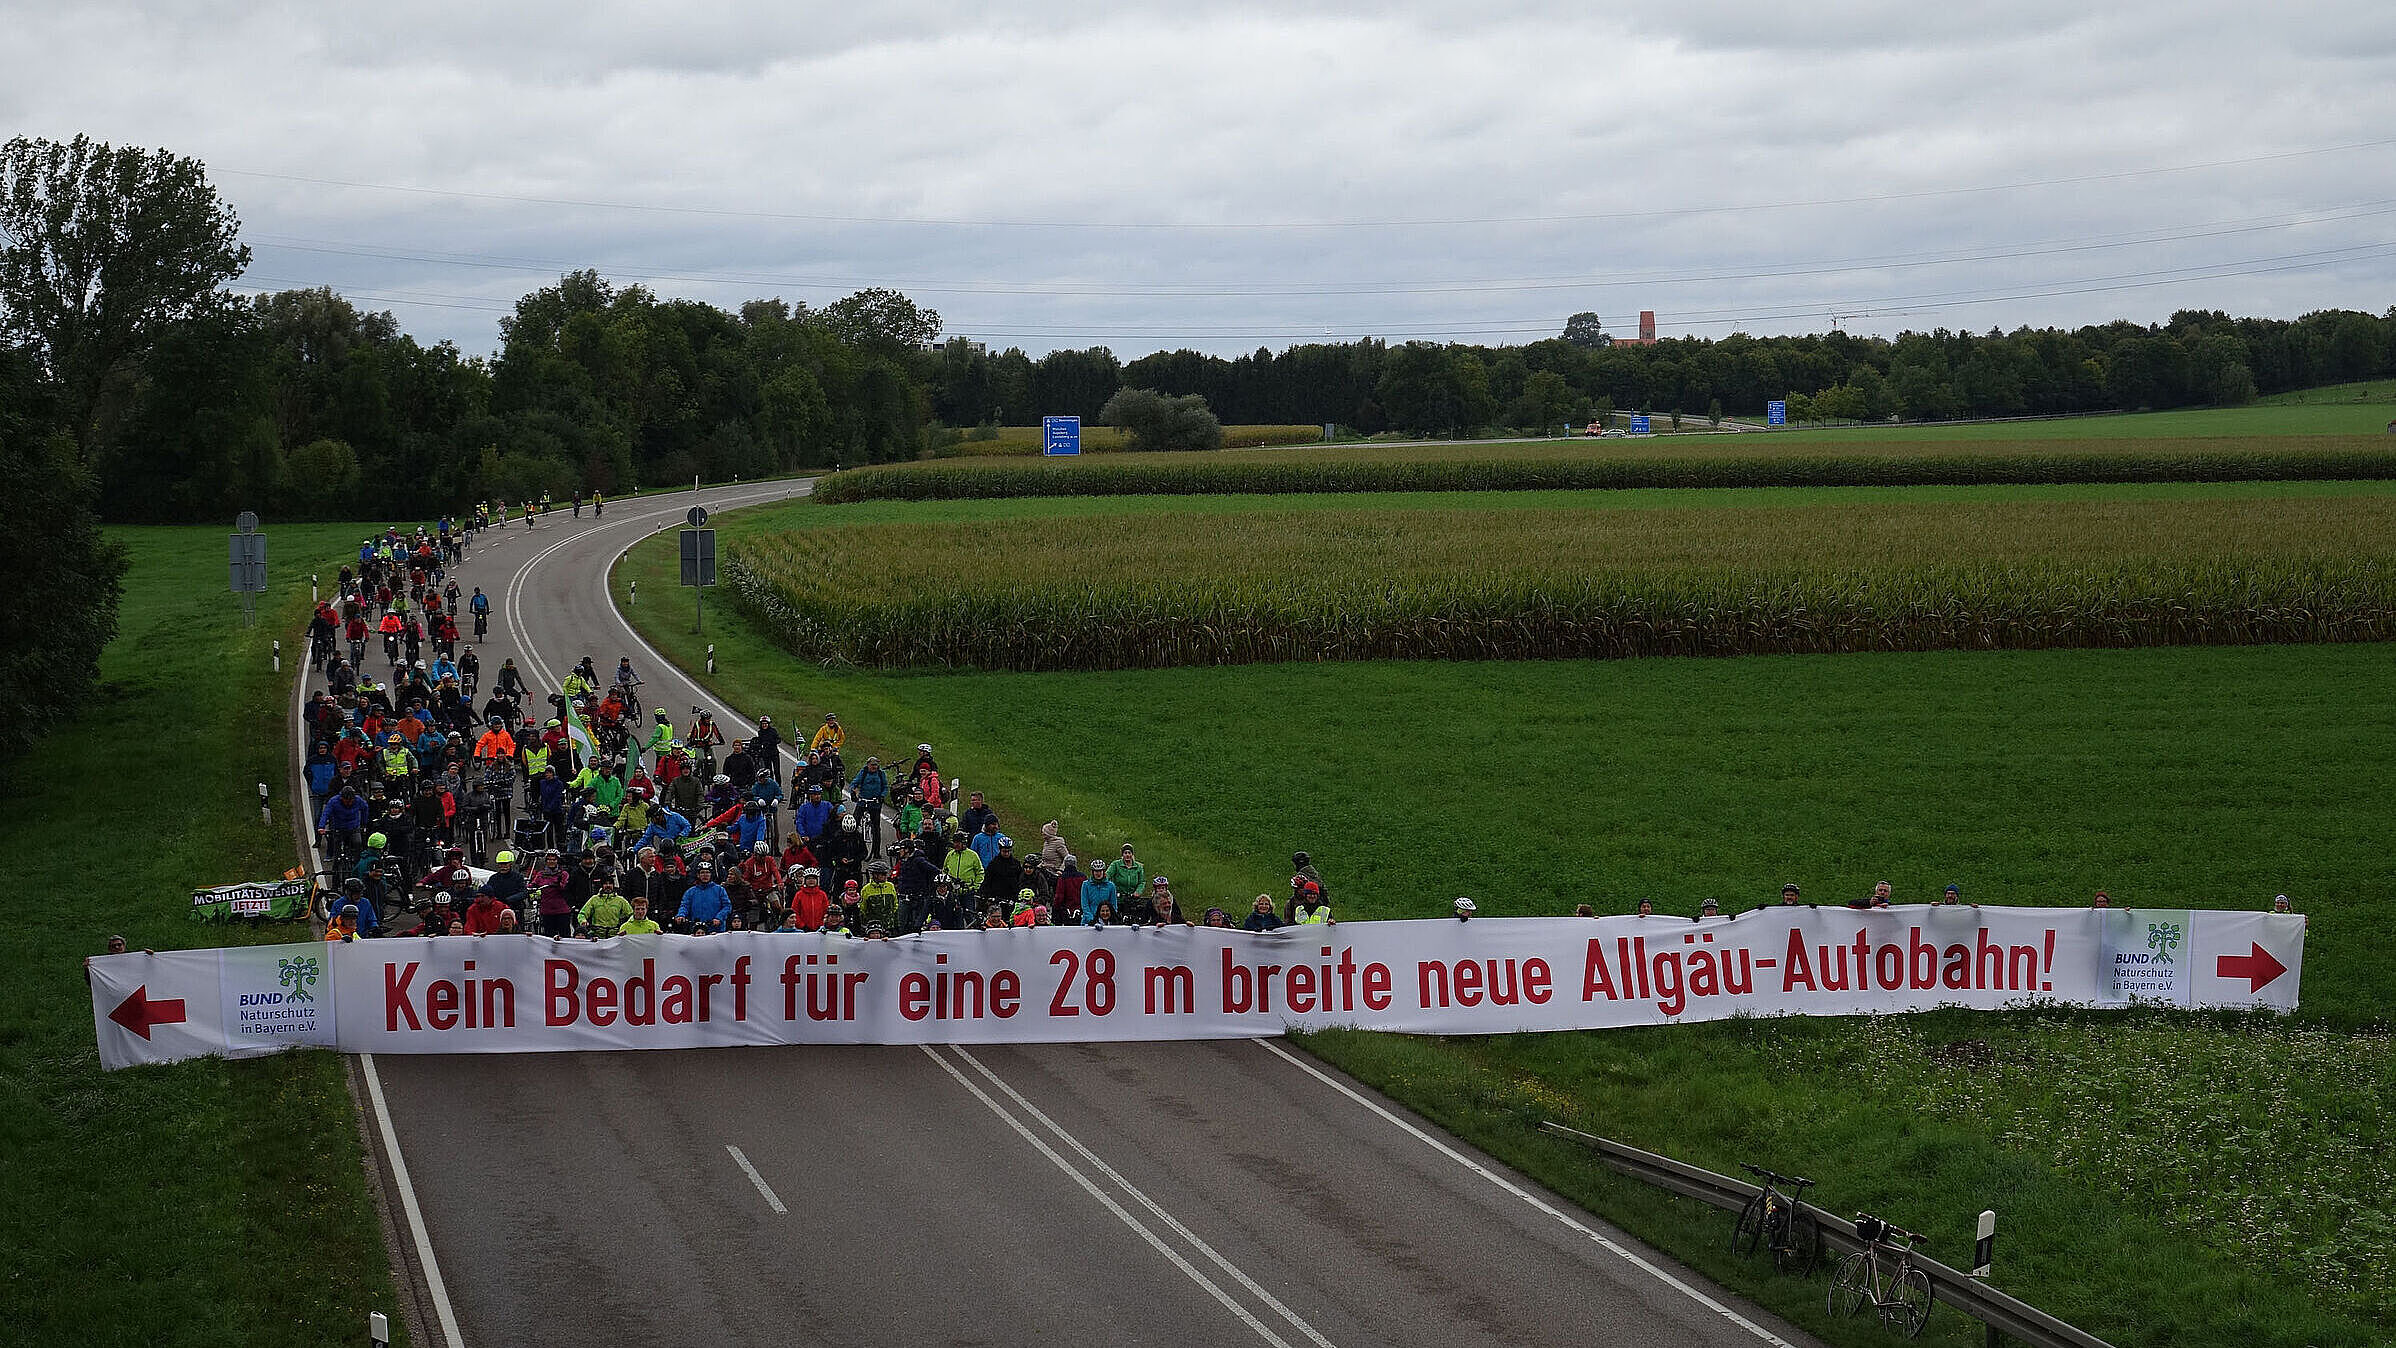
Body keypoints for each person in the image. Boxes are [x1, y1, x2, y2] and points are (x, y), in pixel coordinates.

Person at [678, 861, 731, 933]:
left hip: (715, 929)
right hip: (697, 930)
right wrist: (681, 915)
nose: (705, 875)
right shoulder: (690, 892)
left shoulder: (719, 890)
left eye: (707, 872)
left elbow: (727, 906)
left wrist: (719, 917)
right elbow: (684, 906)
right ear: (698, 875)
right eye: (702, 872)